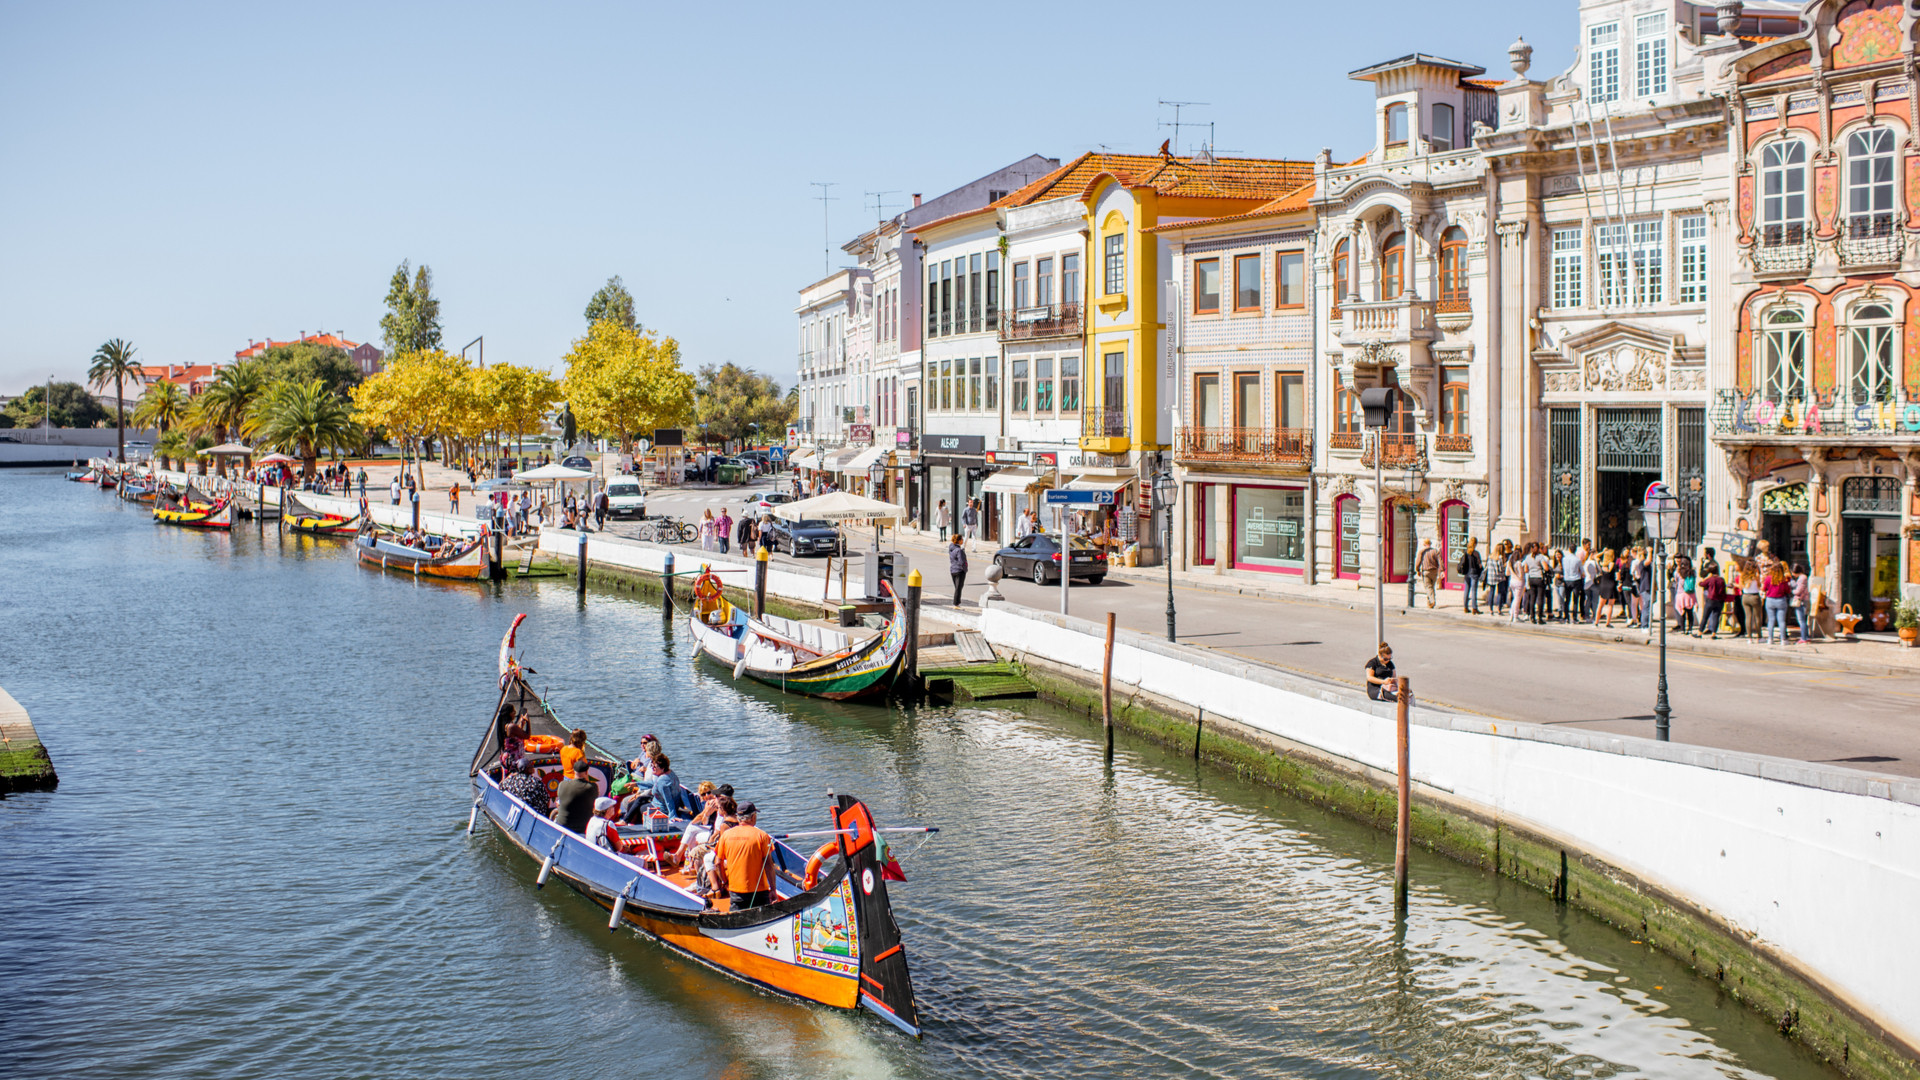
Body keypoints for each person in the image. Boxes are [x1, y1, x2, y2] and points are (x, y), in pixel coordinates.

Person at [710, 801, 775, 909]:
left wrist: (725, 882)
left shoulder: (726, 835)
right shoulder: (762, 836)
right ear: (753, 817)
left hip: (736, 890)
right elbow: (769, 864)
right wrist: (773, 889)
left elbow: (717, 863)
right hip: (759, 891)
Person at [550, 767, 599, 834]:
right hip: (584, 828)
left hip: (562, 826)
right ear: (586, 773)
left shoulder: (562, 784)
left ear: (574, 772)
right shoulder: (592, 787)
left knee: (554, 811)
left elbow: (559, 804)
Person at [1762, 562, 1792, 645]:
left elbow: (1764, 588)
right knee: (1781, 621)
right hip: (1781, 600)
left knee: (1771, 620)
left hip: (1770, 600)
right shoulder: (1783, 580)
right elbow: (1787, 591)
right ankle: (1783, 639)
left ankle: (1770, 639)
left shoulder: (1768, 578)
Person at [1697, 561, 1727, 639]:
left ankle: (1699, 632)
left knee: (1705, 616)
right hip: (1719, 600)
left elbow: (1702, 584)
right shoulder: (1721, 579)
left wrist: (1701, 582)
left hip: (1710, 599)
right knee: (1716, 616)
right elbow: (1724, 589)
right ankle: (1713, 634)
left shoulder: (1710, 579)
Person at [1737, 558, 1763, 640]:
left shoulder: (1742, 576)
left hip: (1745, 597)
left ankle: (1749, 637)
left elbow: (1741, 587)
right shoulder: (1756, 576)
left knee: (1748, 617)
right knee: (1757, 617)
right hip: (1754, 596)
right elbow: (1759, 586)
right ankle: (1759, 636)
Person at [1593, 549, 1619, 627]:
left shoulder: (1602, 564)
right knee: (1610, 605)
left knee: (1600, 605)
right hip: (1611, 585)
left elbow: (1595, 556)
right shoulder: (1614, 565)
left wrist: (1603, 552)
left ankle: (1596, 622)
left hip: (1603, 585)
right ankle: (1607, 623)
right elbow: (1617, 577)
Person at [1457, 537, 1483, 614]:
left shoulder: (1466, 552)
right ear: (1475, 544)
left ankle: (1465, 607)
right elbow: (1479, 565)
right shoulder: (1476, 553)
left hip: (1467, 573)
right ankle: (1474, 608)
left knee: (1466, 590)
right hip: (1474, 573)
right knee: (1474, 591)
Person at [1790, 562, 1813, 644]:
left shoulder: (1802, 578)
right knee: (1803, 620)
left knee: (1801, 620)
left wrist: (1791, 591)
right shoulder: (1802, 578)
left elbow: (1798, 591)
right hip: (1803, 601)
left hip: (1801, 602)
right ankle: (1805, 637)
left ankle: (1803, 638)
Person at [1416, 538, 1441, 609]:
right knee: (1431, 587)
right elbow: (1440, 560)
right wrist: (1441, 570)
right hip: (1434, 571)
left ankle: (1432, 600)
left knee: (1428, 587)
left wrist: (1417, 569)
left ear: (1424, 544)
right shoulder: (1435, 551)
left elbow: (1418, 562)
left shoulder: (1422, 552)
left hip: (1426, 571)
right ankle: (1429, 602)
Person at [949, 532, 968, 607]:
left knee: (957, 588)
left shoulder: (951, 548)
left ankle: (957, 602)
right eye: (962, 539)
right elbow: (961, 561)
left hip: (953, 570)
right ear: (959, 541)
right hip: (959, 571)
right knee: (958, 588)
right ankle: (956, 603)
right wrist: (965, 569)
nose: (963, 541)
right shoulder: (959, 550)